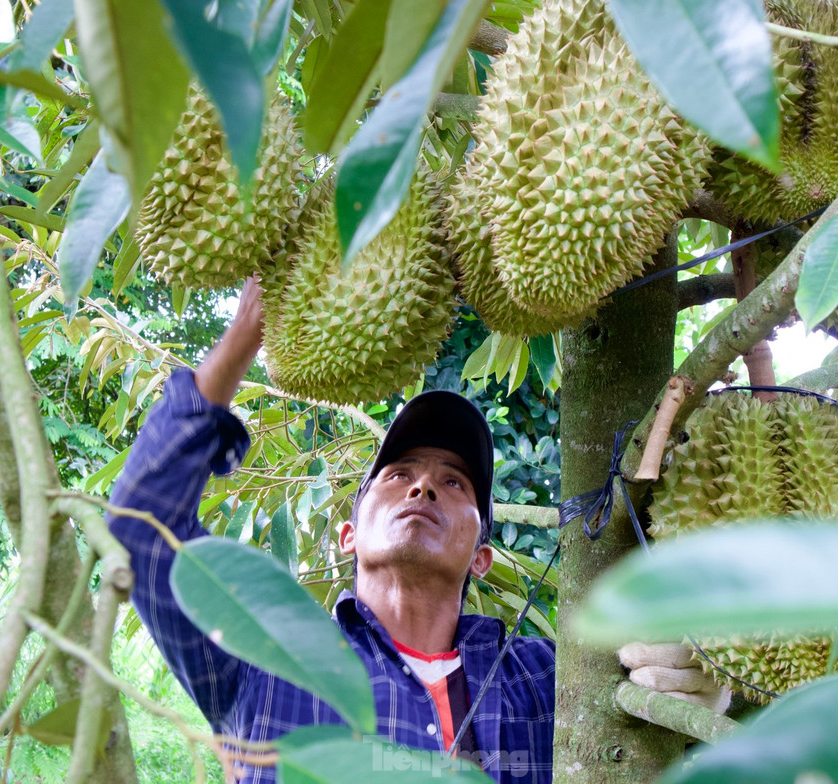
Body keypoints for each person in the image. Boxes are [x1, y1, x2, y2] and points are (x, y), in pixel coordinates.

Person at [107, 279, 726, 784]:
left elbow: (687, 702)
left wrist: (697, 680)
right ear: (348, 535)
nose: (423, 487)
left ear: (481, 556)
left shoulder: (548, 678)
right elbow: (139, 531)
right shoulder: (266, 662)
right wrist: (243, 337)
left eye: (454, 483)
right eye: (398, 474)